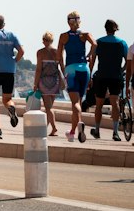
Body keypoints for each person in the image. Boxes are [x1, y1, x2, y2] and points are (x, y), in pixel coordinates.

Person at [88, 20, 129, 141]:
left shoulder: (98, 42)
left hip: (101, 76)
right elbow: (128, 61)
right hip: (116, 77)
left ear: (105, 29)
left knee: (99, 104)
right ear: (115, 29)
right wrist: (121, 70)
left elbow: (92, 60)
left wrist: (90, 75)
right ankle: (115, 132)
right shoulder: (122, 43)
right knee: (115, 103)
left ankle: (96, 130)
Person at [57, 11, 94, 144]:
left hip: (71, 70)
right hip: (84, 69)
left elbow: (59, 56)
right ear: (79, 21)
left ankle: (79, 123)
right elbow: (95, 45)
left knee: (75, 103)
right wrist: (89, 55)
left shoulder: (63, 36)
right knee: (79, 100)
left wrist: (62, 69)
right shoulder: (85, 35)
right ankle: (72, 132)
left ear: (68, 22)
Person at [33, 32, 64, 135]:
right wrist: (65, 80)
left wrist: (35, 83)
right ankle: (44, 129)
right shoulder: (58, 52)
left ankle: (54, 128)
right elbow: (62, 67)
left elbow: (38, 70)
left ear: (44, 40)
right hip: (55, 81)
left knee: (48, 107)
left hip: (44, 82)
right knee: (49, 107)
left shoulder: (40, 52)